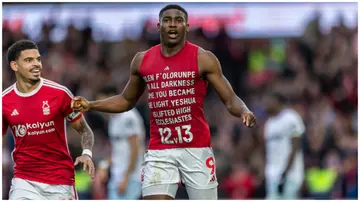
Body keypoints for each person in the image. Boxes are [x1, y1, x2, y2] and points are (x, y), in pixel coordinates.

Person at [71, 4, 256, 200]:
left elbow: (229, 98)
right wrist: (91, 105)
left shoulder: (203, 59)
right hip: (160, 151)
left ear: (187, 27)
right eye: (167, 21)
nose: (173, 25)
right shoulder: (142, 60)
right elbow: (126, 100)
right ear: (159, 27)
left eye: (178, 20)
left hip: (196, 149)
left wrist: (243, 111)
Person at [2, 40, 95, 200]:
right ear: (14, 66)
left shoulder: (60, 94)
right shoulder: (4, 101)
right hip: (24, 181)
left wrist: (86, 153)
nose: (36, 64)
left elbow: (84, 130)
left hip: (60, 181)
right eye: (28, 60)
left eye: (38, 59)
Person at [95, 86, 146, 200]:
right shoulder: (113, 119)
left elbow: (135, 149)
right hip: (116, 176)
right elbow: (117, 151)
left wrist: (126, 177)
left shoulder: (129, 116)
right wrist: (104, 165)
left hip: (131, 177)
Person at [263, 92, 305, 199]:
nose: (266, 104)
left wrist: (285, 172)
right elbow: (268, 151)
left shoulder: (291, 117)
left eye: (269, 101)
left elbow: (296, 146)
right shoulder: (269, 124)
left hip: (291, 175)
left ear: (278, 102)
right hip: (273, 175)